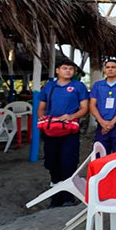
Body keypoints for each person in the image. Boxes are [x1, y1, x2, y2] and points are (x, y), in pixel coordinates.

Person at [37, 59, 89, 207]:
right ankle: (55, 196)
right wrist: (43, 118)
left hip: (69, 131)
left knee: (68, 162)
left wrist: (71, 116)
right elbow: (41, 107)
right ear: (57, 70)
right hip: (50, 131)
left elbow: (84, 108)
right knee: (51, 162)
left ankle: (68, 197)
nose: (68, 71)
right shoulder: (49, 86)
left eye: (71, 69)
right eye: (65, 68)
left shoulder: (78, 86)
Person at [89, 58, 116, 154]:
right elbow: (92, 105)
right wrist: (102, 122)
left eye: (113, 67)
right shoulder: (98, 85)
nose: (110, 69)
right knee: (101, 155)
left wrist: (112, 123)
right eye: (108, 67)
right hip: (101, 125)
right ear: (104, 69)